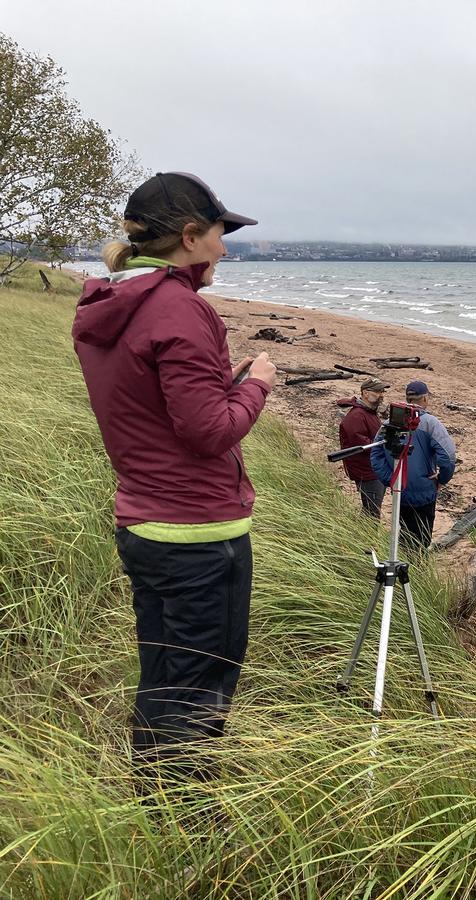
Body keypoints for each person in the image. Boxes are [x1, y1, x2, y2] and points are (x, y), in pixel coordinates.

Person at [71, 172, 275, 786]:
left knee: (165, 671)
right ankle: (183, 822)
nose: (225, 249)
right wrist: (258, 384)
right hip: (197, 535)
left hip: (148, 522)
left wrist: (223, 387)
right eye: (219, 234)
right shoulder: (182, 309)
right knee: (200, 680)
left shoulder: (113, 302)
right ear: (189, 236)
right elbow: (208, 432)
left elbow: (154, 408)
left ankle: (155, 795)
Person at [370, 380, 456, 549]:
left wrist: (391, 479)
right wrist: (442, 478)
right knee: (422, 538)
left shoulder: (389, 423)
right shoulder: (431, 423)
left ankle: (405, 562)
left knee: (405, 532)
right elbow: (448, 456)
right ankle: (417, 569)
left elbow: (376, 455)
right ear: (424, 399)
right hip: (424, 491)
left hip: (400, 491)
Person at [336, 377, 389, 518]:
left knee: (370, 511)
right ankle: (366, 539)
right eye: (377, 392)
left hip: (374, 469)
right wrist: (384, 445)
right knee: (372, 513)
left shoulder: (368, 413)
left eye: (382, 391)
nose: (381, 395)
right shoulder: (356, 416)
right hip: (367, 472)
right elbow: (361, 445)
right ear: (365, 393)